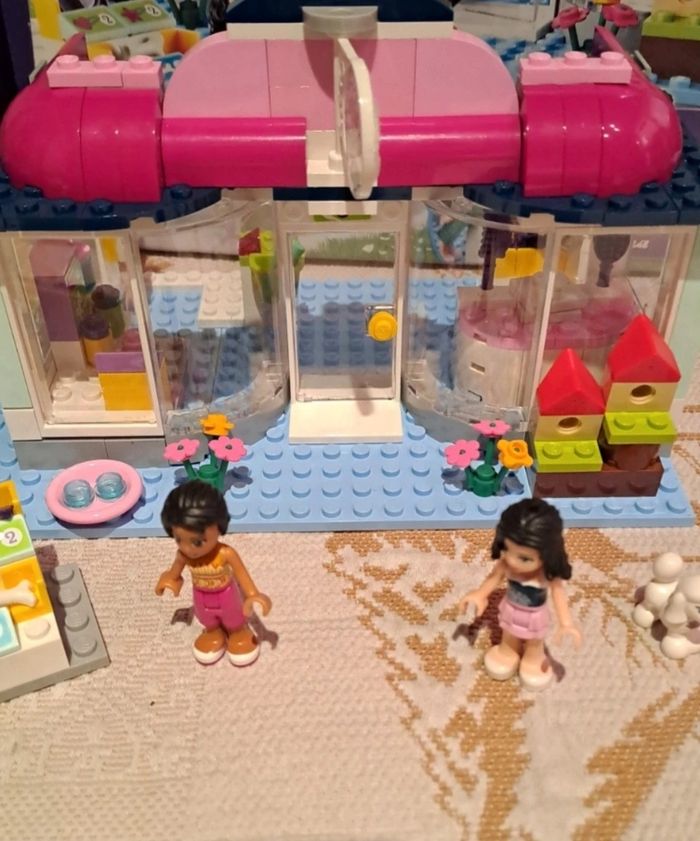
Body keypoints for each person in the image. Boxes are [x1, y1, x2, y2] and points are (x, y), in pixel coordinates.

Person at [459, 498, 581, 690]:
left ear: (547, 554)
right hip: (510, 610)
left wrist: (566, 624)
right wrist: (480, 594)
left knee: (534, 643)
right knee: (509, 636)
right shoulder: (506, 565)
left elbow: (558, 595)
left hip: (535, 616)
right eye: (507, 550)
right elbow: (493, 579)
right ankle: (508, 653)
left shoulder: (545, 574)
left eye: (524, 558)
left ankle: (533, 660)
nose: (513, 562)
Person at [157, 480, 272, 666]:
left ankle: (238, 632)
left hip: (226, 594)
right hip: (200, 594)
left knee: (233, 616)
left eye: (197, 542)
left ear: (219, 526)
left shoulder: (225, 553)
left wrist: (252, 594)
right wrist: (170, 579)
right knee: (205, 617)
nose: (188, 549)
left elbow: (241, 574)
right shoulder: (183, 555)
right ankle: (213, 632)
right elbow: (175, 570)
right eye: (179, 540)